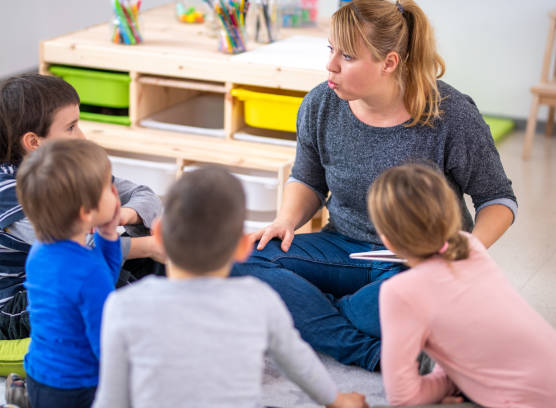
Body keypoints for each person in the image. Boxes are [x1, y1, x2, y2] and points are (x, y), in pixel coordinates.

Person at [231, 0, 517, 371]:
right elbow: (308, 179)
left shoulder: (452, 113)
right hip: (342, 248)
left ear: (390, 62)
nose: (330, 65)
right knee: (242, 259)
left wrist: (466, 251)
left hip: (422, 259)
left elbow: (498, 198)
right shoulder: (320, 103)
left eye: (347, 56)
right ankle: (370, 349)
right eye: (330, 49)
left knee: (380, 305)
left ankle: (317, 310)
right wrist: (285, 221)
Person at [92, 167, 368, 408]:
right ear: (243, 247)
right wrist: (338, 400)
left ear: (160, 233)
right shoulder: (259, 299)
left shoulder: (124, 306)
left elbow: (111, 399)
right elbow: (299, 362)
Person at [0, 73, 164, 340]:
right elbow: (74, 249)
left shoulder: (71, 166)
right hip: (18, 304)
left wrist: (122, 215)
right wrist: (150, 247)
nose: (82, 136)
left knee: (146, 247)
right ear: (34, 142)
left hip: (73, 266)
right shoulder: (7, 191)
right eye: (71, 127)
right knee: (106, 278)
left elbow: (145, 195)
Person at [368, 163, 556, 407]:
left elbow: (403, 397)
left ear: (388, 240)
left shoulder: (399, 292)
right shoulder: (470, 246)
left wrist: (447, 381)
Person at [16, 138, 123, 408]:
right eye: (109, 187)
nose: (115, 191)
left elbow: (100, 282)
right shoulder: (89, 271)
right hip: (77, 389)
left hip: (38, 375)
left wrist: (108, 234)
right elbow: (106, 345)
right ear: (87, 212)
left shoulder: (39, 251)